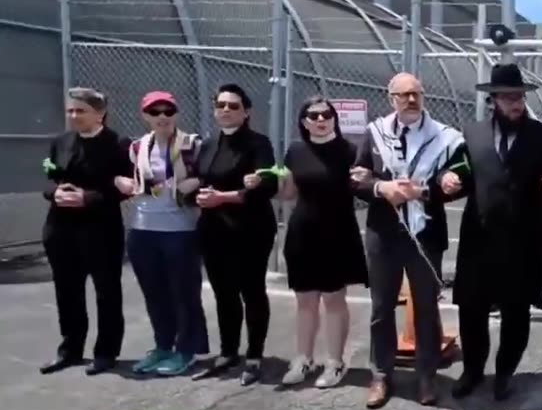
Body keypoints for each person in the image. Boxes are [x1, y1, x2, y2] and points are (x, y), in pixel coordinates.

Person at [438, 63, 542, 401]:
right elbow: (461, 171)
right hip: (479, 237)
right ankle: (473, 371)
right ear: (493, 99)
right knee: (471, 308)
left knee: (516, 311)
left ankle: (505, 372)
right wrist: (449, 179)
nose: (516, 103)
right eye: (508, 97)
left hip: (524, 240)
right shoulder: (472, 133)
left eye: (519, 96)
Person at [352, 72, 464, 408]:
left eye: (416, 93)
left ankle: (426, 376)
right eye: (403, 95)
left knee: (427, 308)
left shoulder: (445, 137)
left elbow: (455, 177)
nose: (411, 100)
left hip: (426, 233)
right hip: (383, 234)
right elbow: (357, 178)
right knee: (381, 308)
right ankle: (381, 375)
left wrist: (435, 187)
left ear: (423, 96)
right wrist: (381, 188)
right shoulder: (374, 134)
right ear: (391, 99)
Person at [39, 87, 133, 376]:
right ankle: (70, 348)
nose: (74, 116)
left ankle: (106, 352)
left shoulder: (119, 144)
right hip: (61, 227)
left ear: (100, 113)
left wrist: (87, 198)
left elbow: (126, 188)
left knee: (107, 291)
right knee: (67, 290)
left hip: (100, 229)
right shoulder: (61, 141)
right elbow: (51, 177)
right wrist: (55, 193)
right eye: (70, 110)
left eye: (81, 111)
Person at [114, 91, 209, 377]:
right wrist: (120, 181)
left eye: (168, 111)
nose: (162, 117)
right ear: (145, 116)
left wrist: (197, 181)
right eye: (155, 112)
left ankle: (187, 350)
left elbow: (215, 173)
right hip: (143, 229)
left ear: (176, 114)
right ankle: (163, 346)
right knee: (155, 294)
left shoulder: (192, 144)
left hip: (180, 230)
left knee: (184, 293)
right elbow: (119, 175)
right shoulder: (136, 147)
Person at [191, 84, 278, 386]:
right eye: (221, 105)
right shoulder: (208, 143)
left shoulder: (258, 143)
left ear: (247, 112)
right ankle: (228, 352)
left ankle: (254, 355)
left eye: (233, 106)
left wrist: (224, 197)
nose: (226, 110)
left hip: (250, 230)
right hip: (214, 229)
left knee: (251, 291)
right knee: (223, 292)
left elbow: (268, 187)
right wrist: (198, 196)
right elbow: (200, 181)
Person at [279, 96, 368, 389]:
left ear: (334, 118)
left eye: (326, 115)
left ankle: (335, 362)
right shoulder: (295, 151)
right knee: (305, 299)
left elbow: (360, 188)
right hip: (303, 232)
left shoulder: (349, 151)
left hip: (337, 232)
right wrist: (271, 181)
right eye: (313, 116)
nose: (320, 120)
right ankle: (303, 358)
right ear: (304, 122)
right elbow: (288, 194)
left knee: (333, 299)